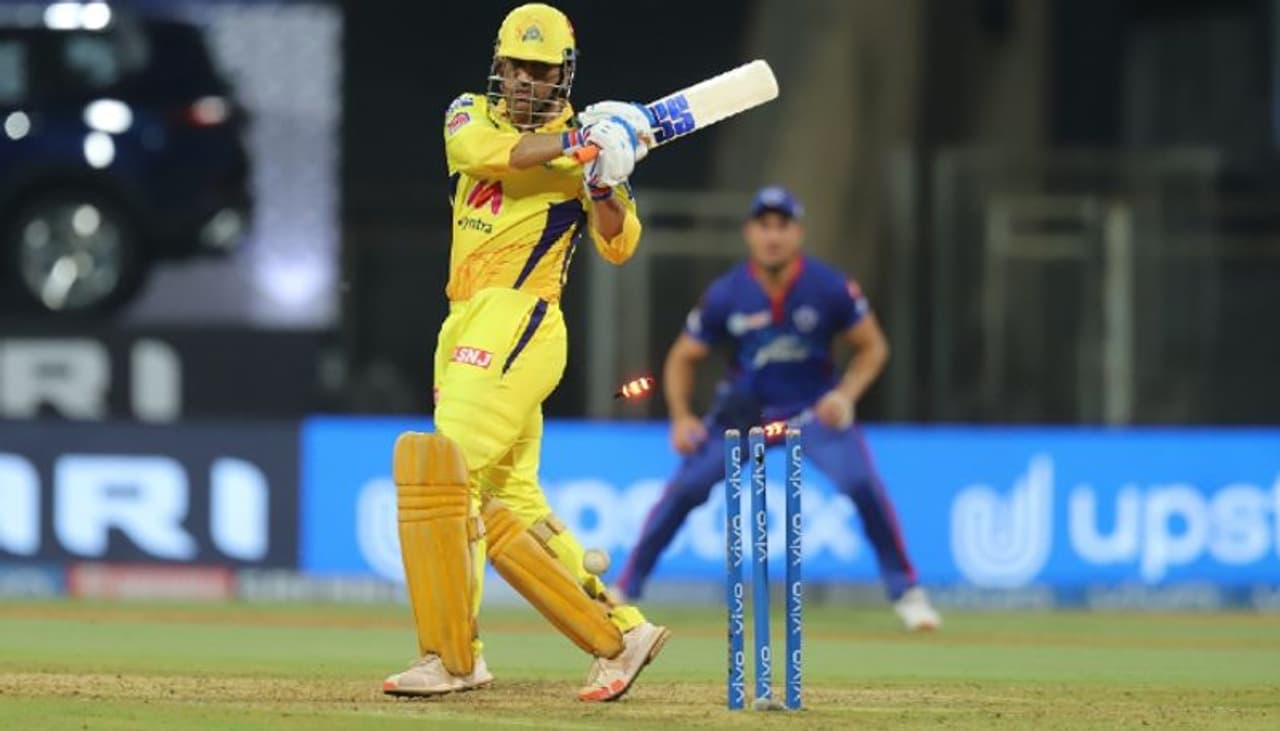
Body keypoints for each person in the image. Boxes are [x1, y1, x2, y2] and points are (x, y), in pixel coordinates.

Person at [381, 3, 668, 701]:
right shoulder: (470, 113)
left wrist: (604, 180)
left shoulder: (588, 150)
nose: (525, 81)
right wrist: (577, 144)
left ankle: (451, 655)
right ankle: (619, 633)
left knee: (441, 472)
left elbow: (620, 243)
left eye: (540, 71)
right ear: (499, 66)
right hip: (464, 319)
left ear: (561, 75)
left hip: (521, 317)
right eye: (516, 67)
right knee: (507, 500)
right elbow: (483, 156)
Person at [616, 185, 942, 631]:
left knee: (862, 485)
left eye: (782, 226)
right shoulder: (727, 293)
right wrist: (680, 416)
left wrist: (845, 395)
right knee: (686, 490)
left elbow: (874, 347)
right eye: (764, 226)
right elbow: (682, 357)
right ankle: (627, 587)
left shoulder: (828, 286)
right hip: (743, 414)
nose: (772, 236)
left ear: (798, 233)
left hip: (812, 412)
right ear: (749, 233)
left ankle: (907, 593)